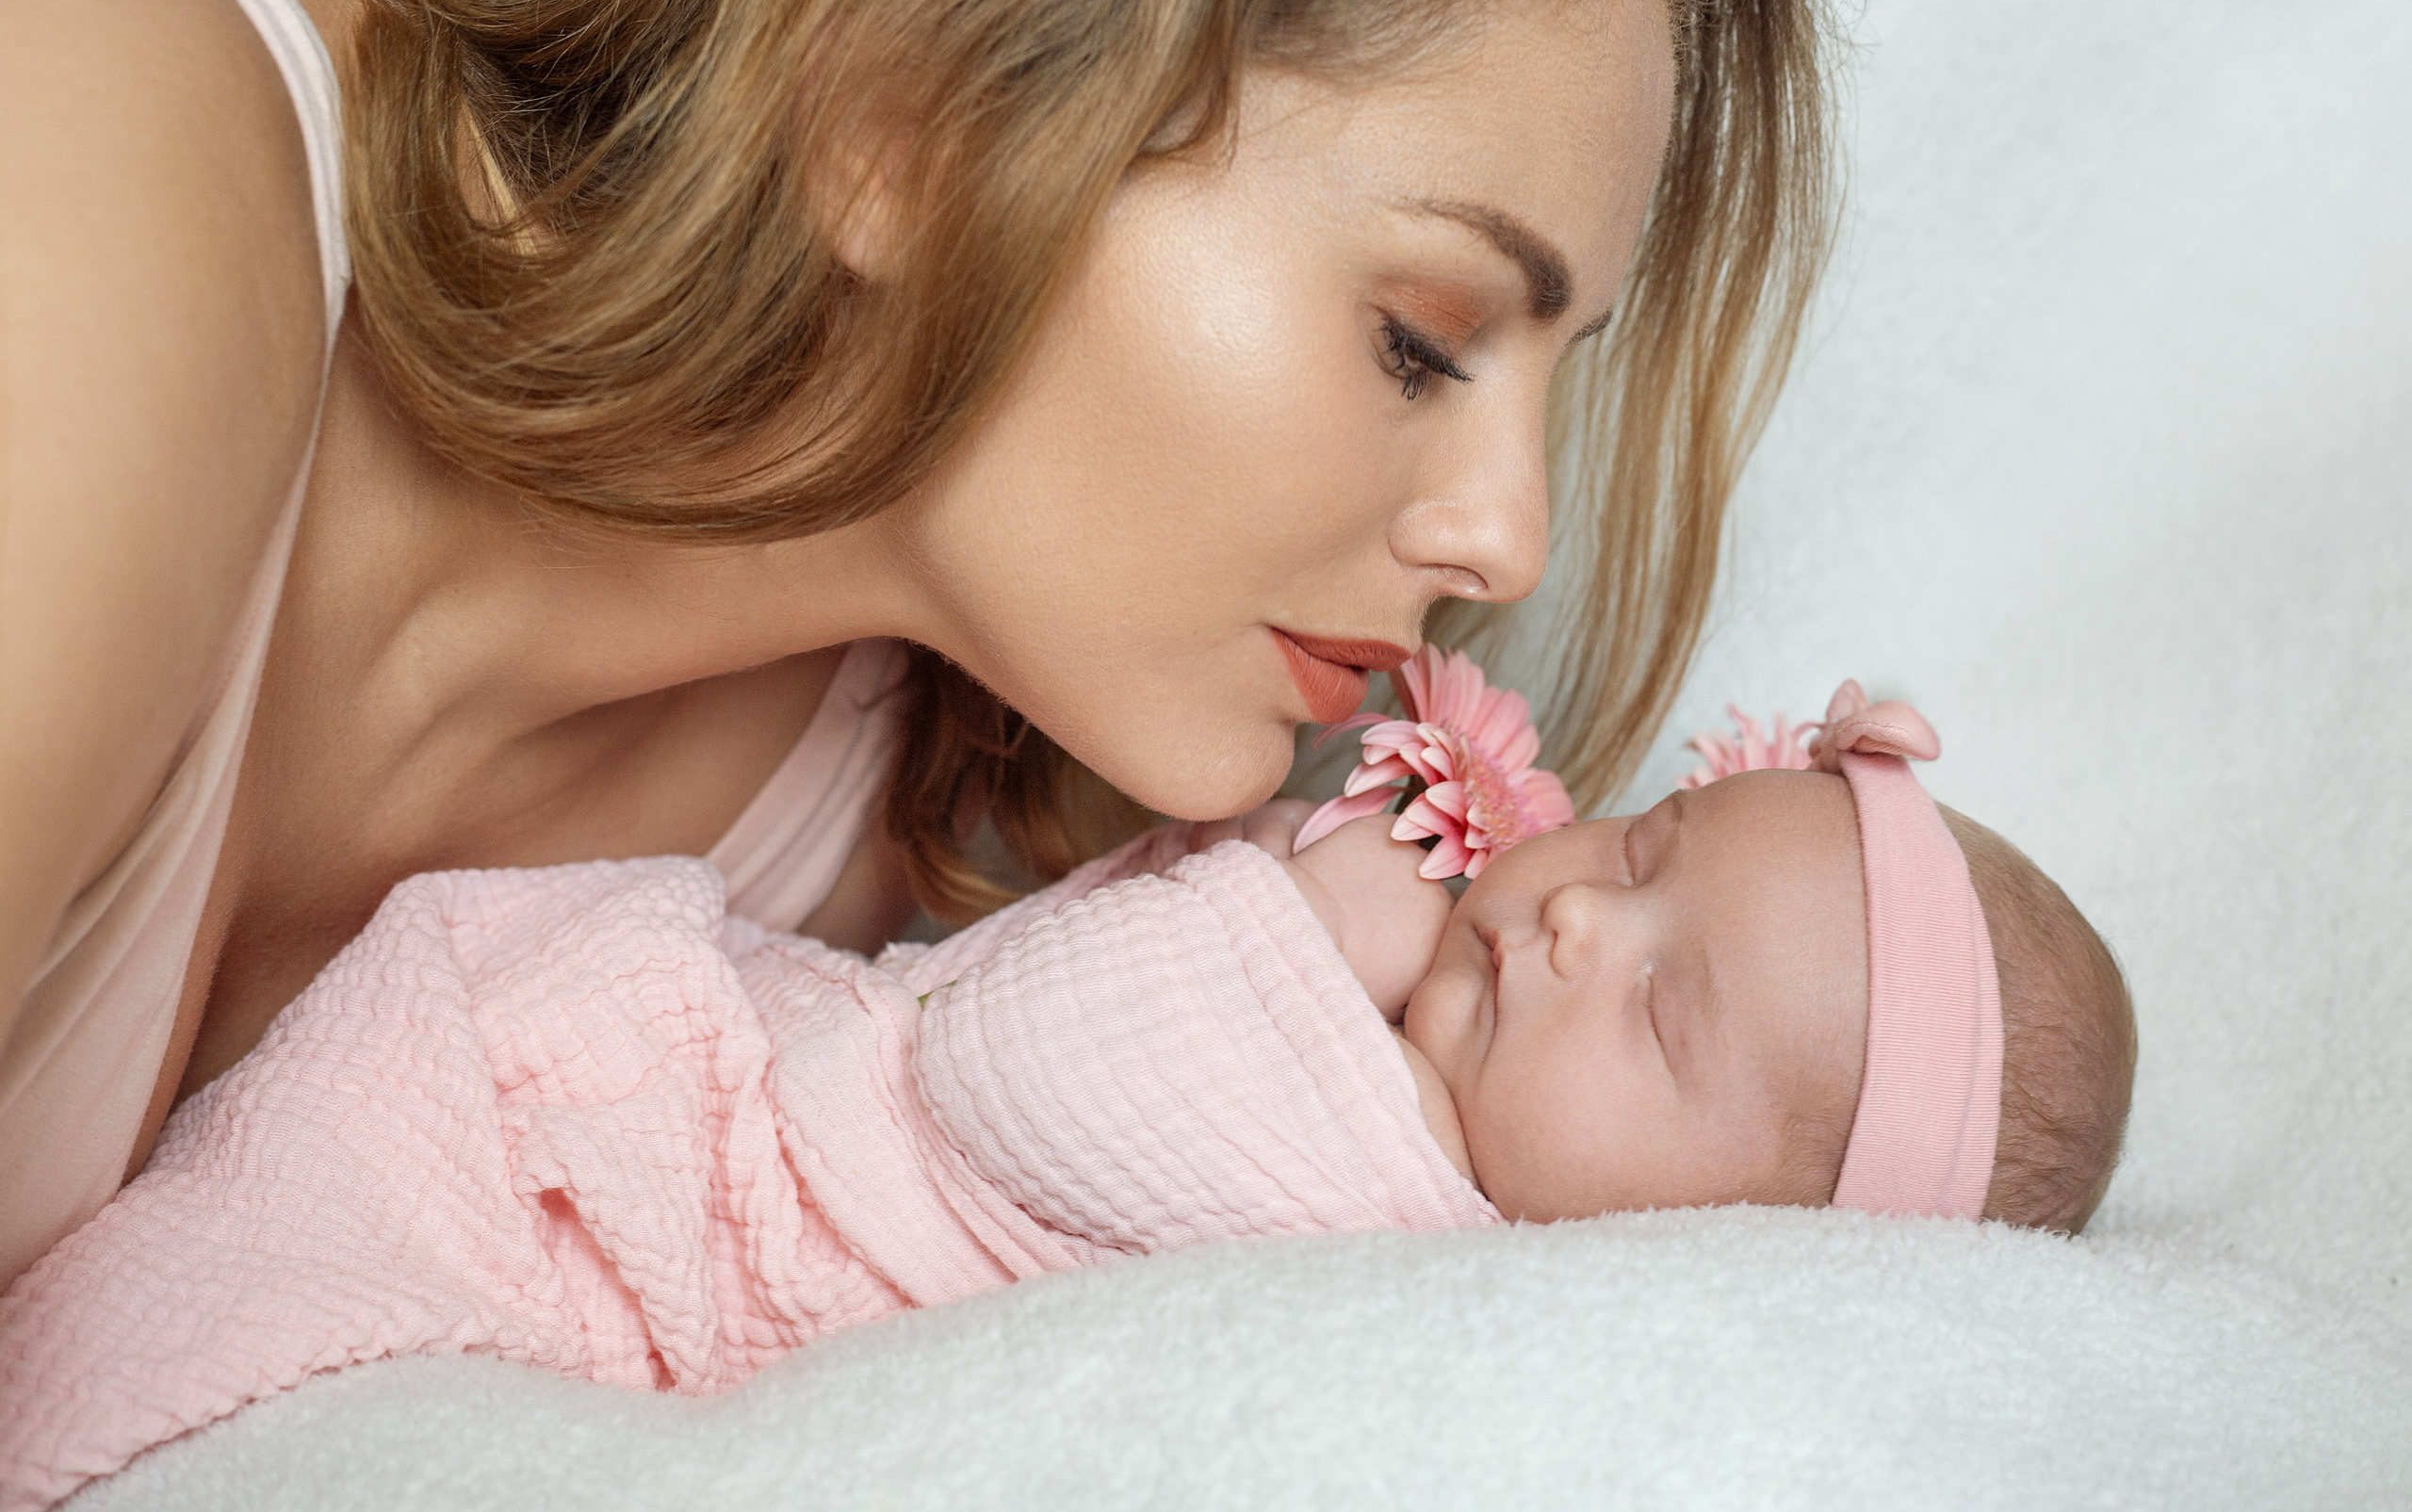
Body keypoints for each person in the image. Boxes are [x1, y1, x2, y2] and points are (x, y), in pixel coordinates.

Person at [0, 0, 1836, 1288]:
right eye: (1421, 342)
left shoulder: (853, 863)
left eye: (1553, 378)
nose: (1507, 544)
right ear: (904, 123)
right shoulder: (87, 169)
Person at [0, 682, 2132, 1510]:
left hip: (658, 1223)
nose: (1577, 923)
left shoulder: (1401, 1220)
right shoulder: (1414, 1064)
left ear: (1718, 1250)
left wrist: (1330, 924)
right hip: (634, 1116)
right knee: (218, 1263)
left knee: (225, 1385)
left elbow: (1029, 1065)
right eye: (1645, 859)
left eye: (1665, 1022)